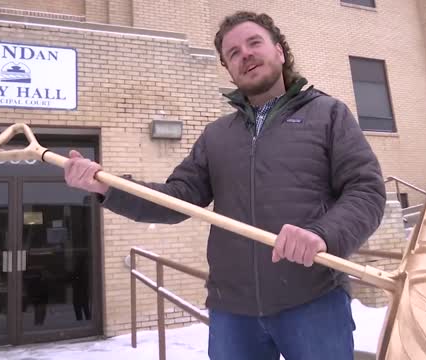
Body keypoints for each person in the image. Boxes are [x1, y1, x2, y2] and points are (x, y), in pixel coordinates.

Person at [64, 11, 386, 360]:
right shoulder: (217, 135)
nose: (244, 54)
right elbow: (176, 199)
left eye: (253, 43)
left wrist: (323, 233)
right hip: (233, 312)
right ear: (229, 69)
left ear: (279, 51)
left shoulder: (328, 114)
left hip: (314, 300)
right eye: (233, 53)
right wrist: (106, 187)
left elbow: (366, 190)